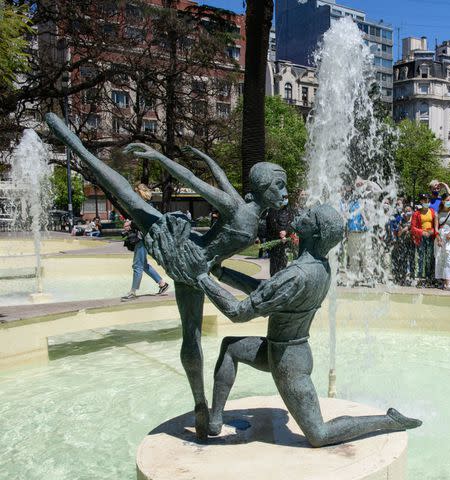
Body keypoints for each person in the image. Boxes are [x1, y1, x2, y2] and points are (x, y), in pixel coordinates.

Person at [46, 113, 288, 440]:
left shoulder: (245, 210)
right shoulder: (241, 211)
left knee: (191, 335)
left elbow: (218, 177)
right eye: (280, 186)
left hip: (194, 264)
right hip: (188, 255)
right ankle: (71, 141)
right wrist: (160, 157)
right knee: (129, 197)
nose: (284, 193)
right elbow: (196, 179)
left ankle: (202, 406)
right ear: (263, 190)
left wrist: (205, 158)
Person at [154, 205, 421, 445]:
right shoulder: (317, 267)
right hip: (279, 349)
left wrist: (200, 277)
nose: (301, 214)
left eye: (309, 216)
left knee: (319, 435)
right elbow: (266, 290)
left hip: (288, 363)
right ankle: (215, 419)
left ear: (314, 233)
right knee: (231, 348)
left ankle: (390, 421)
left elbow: (237, 312)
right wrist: (221, 273)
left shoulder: (298, 274)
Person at [121, 212, 169, 301]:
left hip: (142, 239)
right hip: (142, 239)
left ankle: (133, 292)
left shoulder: (140, 207)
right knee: (143, 265)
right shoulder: (138, 206)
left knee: (137, 265)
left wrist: (131, 223)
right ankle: (162, 284)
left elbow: (144, 221)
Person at [411, 194, 437, 287]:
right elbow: (413, 228)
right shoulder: (416, 213)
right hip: (421, 237)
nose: (427, 202)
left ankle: (429, 277)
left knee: (430, 257)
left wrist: (432, 232)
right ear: (421, 201)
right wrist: (422, 232)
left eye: (428, 200)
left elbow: (436, 225)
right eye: (425, 200)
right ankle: (419, 277)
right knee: (421, 257)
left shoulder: (432, 212)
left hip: (430, 237)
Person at [266, 201, 296, 277]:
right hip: (275, 240)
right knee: (274, 261)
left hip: (286, 241)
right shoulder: (272, 209)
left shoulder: (290, 210)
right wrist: (280, 232)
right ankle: (273, 279)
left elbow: (292, 223)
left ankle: (281, 279)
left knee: (284, 261)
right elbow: (271, 222)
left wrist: (286, 232)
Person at [435, 194, 450, 290]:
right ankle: (444, 282)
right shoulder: (438, 213)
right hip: (441, 237)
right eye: (447, 200)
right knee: (441, 259)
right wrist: (438, 238)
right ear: (443, 201)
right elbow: (436, 228)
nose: (449, 201)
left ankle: (448, 282)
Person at [392, 204, 415, 285]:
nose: (408, 212)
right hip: (402, 243)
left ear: (412, 211)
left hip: (412, 243)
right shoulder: (400, 220)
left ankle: (411, 278)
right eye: (406, 211)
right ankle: (403, 277)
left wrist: (408, 229)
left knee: (412, 260)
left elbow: (416, 229)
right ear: (403, 212)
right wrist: (402, 230)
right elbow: (398, 233)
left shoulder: (414, 220)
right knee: (403, 260)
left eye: (409, 211)